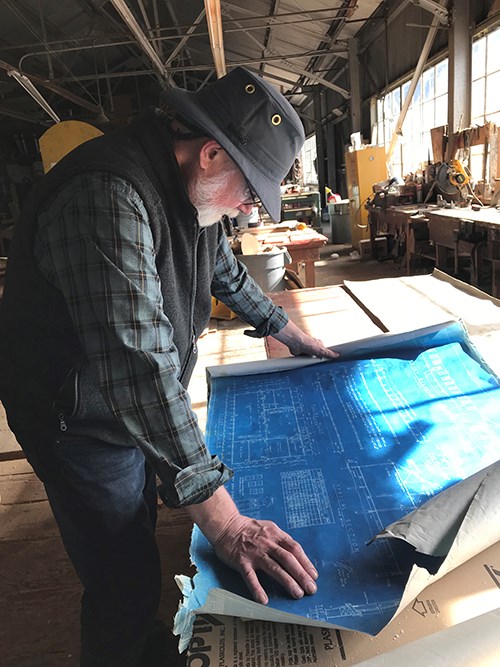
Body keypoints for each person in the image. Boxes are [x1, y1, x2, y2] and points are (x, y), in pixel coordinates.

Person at [0, 67, 337, 666]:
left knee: (147, 515)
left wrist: (283, 329)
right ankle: (122, 650)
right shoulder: (106, 195)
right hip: (75, 419)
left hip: (122, 395)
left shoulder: (192, 189)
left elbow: (223, 271)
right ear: (211, 154)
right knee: (121, 572)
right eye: (250, 192)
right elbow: (138, 367)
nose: (247, 209)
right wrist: (229, 525)